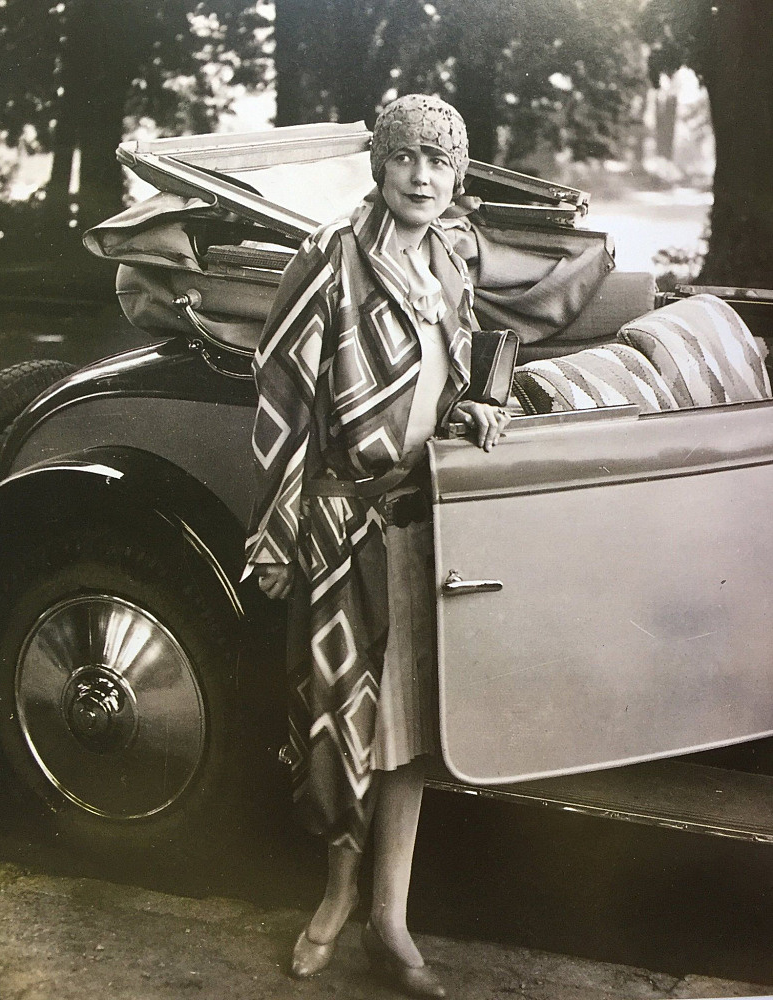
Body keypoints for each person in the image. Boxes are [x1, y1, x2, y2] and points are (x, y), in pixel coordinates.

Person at [243, 93, 509, 998]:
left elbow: (452, 380)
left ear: (457, 176)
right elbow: (282, 392)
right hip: (342, 525)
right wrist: (275, 531)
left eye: (440, 161)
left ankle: (390, 922)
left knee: (408, 730)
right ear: (380, 166)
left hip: (422, 524)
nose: (422, 176)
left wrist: (476, 408)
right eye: (406, 157)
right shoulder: (332, 256)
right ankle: (334, 901)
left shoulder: (452, 262)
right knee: (342, 721)